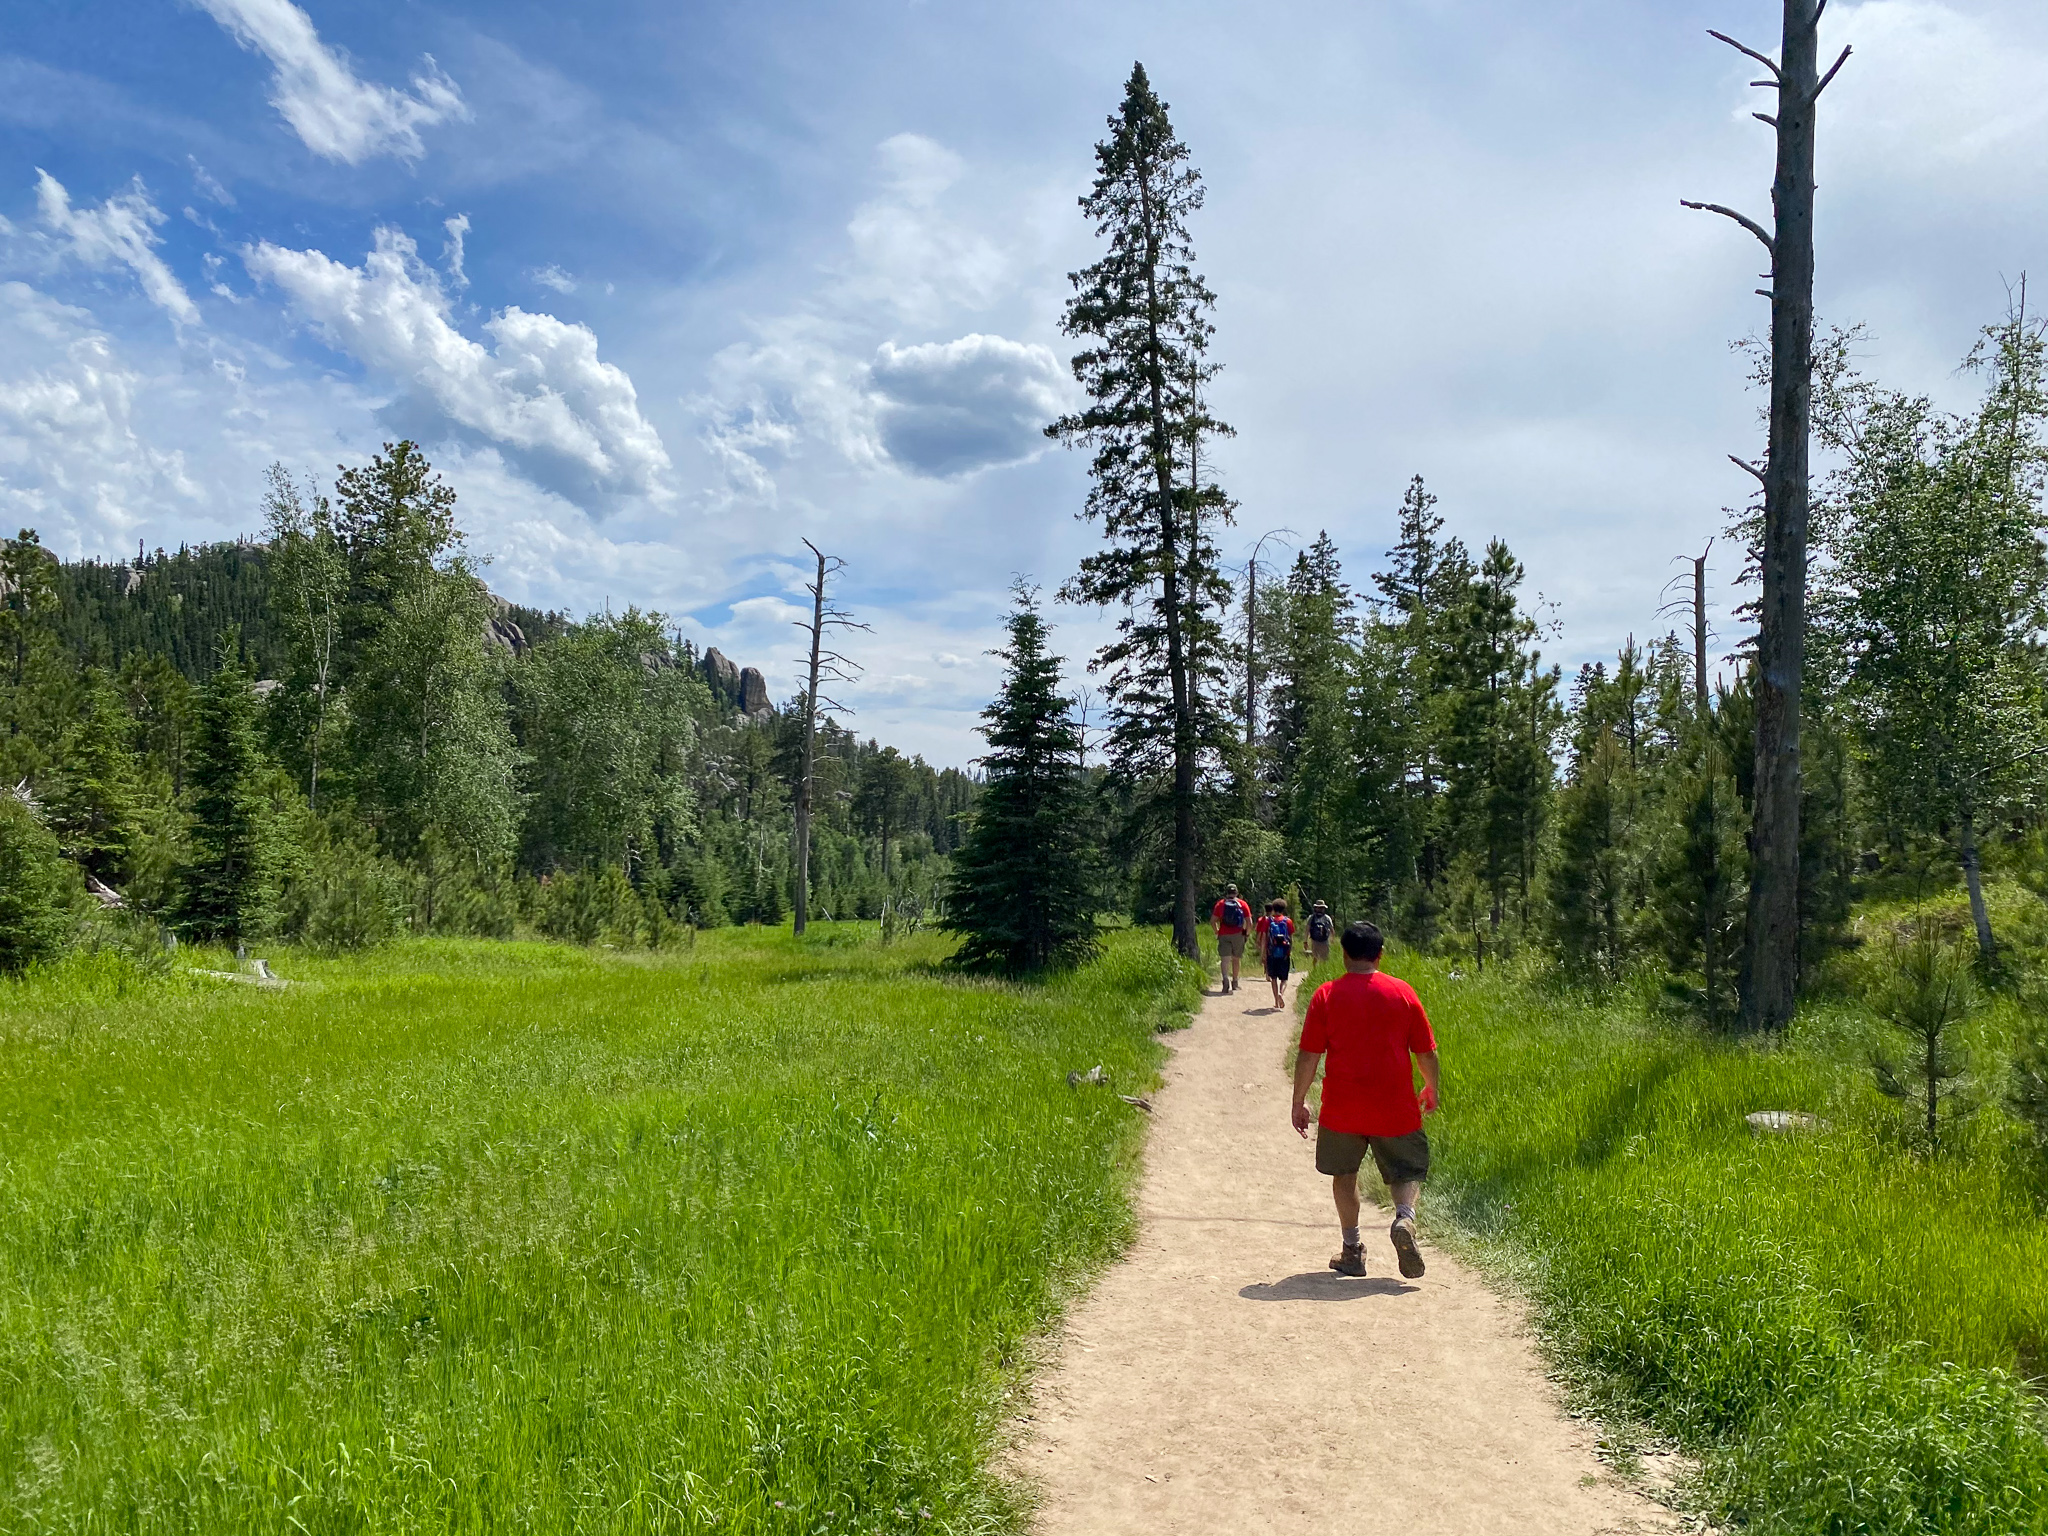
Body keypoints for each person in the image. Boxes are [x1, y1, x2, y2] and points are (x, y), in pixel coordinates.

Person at [1291, 920, 1441, 1280]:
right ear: (1380, 954)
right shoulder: (1402, 993)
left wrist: (1299, 1100)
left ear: (1343, 954)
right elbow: (1426, 1052)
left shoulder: (1326, 995)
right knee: (1406, 1170)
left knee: (1344, 1175)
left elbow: (1309, 1055)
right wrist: (1431, 1087)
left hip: (1342, 1109)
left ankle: (1352, 1250)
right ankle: (1404, 1218)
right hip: (1395, 1106)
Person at [1210, 883, 1252, 993]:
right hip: (1238, 934)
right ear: (1236, 892)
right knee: (1236, 959)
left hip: (1224, 934)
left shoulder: (1220, 904)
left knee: (1225, 959)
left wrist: (1217, 931)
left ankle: (1225, 979)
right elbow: (1249, 922)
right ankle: (1235, 982)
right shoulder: (1242, 904)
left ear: (1227, 892)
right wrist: (1247, 934)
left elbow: (1213, 921)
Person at [1259, 898, 1295, 1009]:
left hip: (1271, 953)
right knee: (1284, 979)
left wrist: (1263, 953)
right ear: (1283, 909)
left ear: (1273, 909)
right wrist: (1289, 951)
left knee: (1273, 978)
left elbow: (1264, 938)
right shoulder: (1288, 921)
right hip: (1284, 953)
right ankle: (1281, 993)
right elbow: (1291, 938)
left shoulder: (1268, 921)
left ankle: (1276, 1001)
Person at [1306, 900, 1335, 966]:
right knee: (1320, 957)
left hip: (1320, 940)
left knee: (1319, 957)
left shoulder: (1312, 917)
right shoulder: (1326, 918)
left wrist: (1305, 940)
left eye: (1321, 908)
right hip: (1319, 940)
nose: (1320, 909)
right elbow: (1332, 929)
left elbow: (1307, 929)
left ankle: (1319, 969)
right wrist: (1332, 938)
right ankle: (1318, 969)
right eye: (1319, 908)